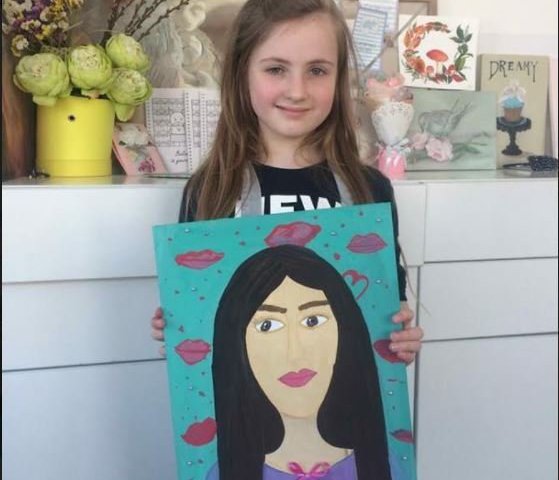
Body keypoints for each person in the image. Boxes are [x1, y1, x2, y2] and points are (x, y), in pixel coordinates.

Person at [151, 0, 422, 364]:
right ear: (242, 74)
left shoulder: (370, 190)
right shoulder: (210, 190)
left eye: (317, 70)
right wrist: (180, 325)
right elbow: (200, 315)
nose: (297, 90)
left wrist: (399, 341)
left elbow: (388, 310)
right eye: (276, 69)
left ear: (338, 78)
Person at [208, 245, 391, 480]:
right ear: (236, 344)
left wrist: (396, 338)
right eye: (267, 325)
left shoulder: (383, 467)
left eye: (313, 321)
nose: (294, 353)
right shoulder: (221, 475)